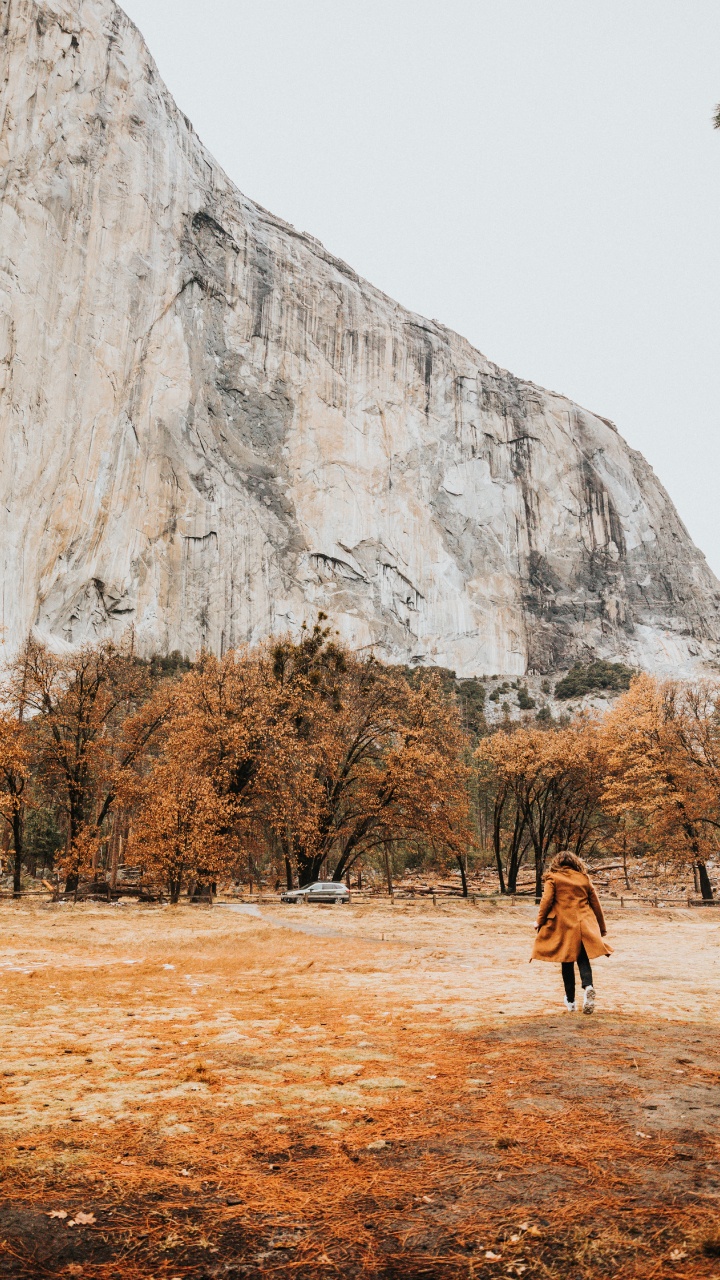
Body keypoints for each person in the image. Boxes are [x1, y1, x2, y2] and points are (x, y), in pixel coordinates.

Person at [531, 850, 612, 1013]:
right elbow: (596, 904)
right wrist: (602, 928)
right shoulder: (584, 878)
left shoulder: (553, 878)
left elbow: (546, 902)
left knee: (566, 961)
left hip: (564, 925)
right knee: (583, 959)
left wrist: (539, 921)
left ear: (557, 863)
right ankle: (588, 986)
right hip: (583, 924)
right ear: (575, 862)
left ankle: (571, 1001)